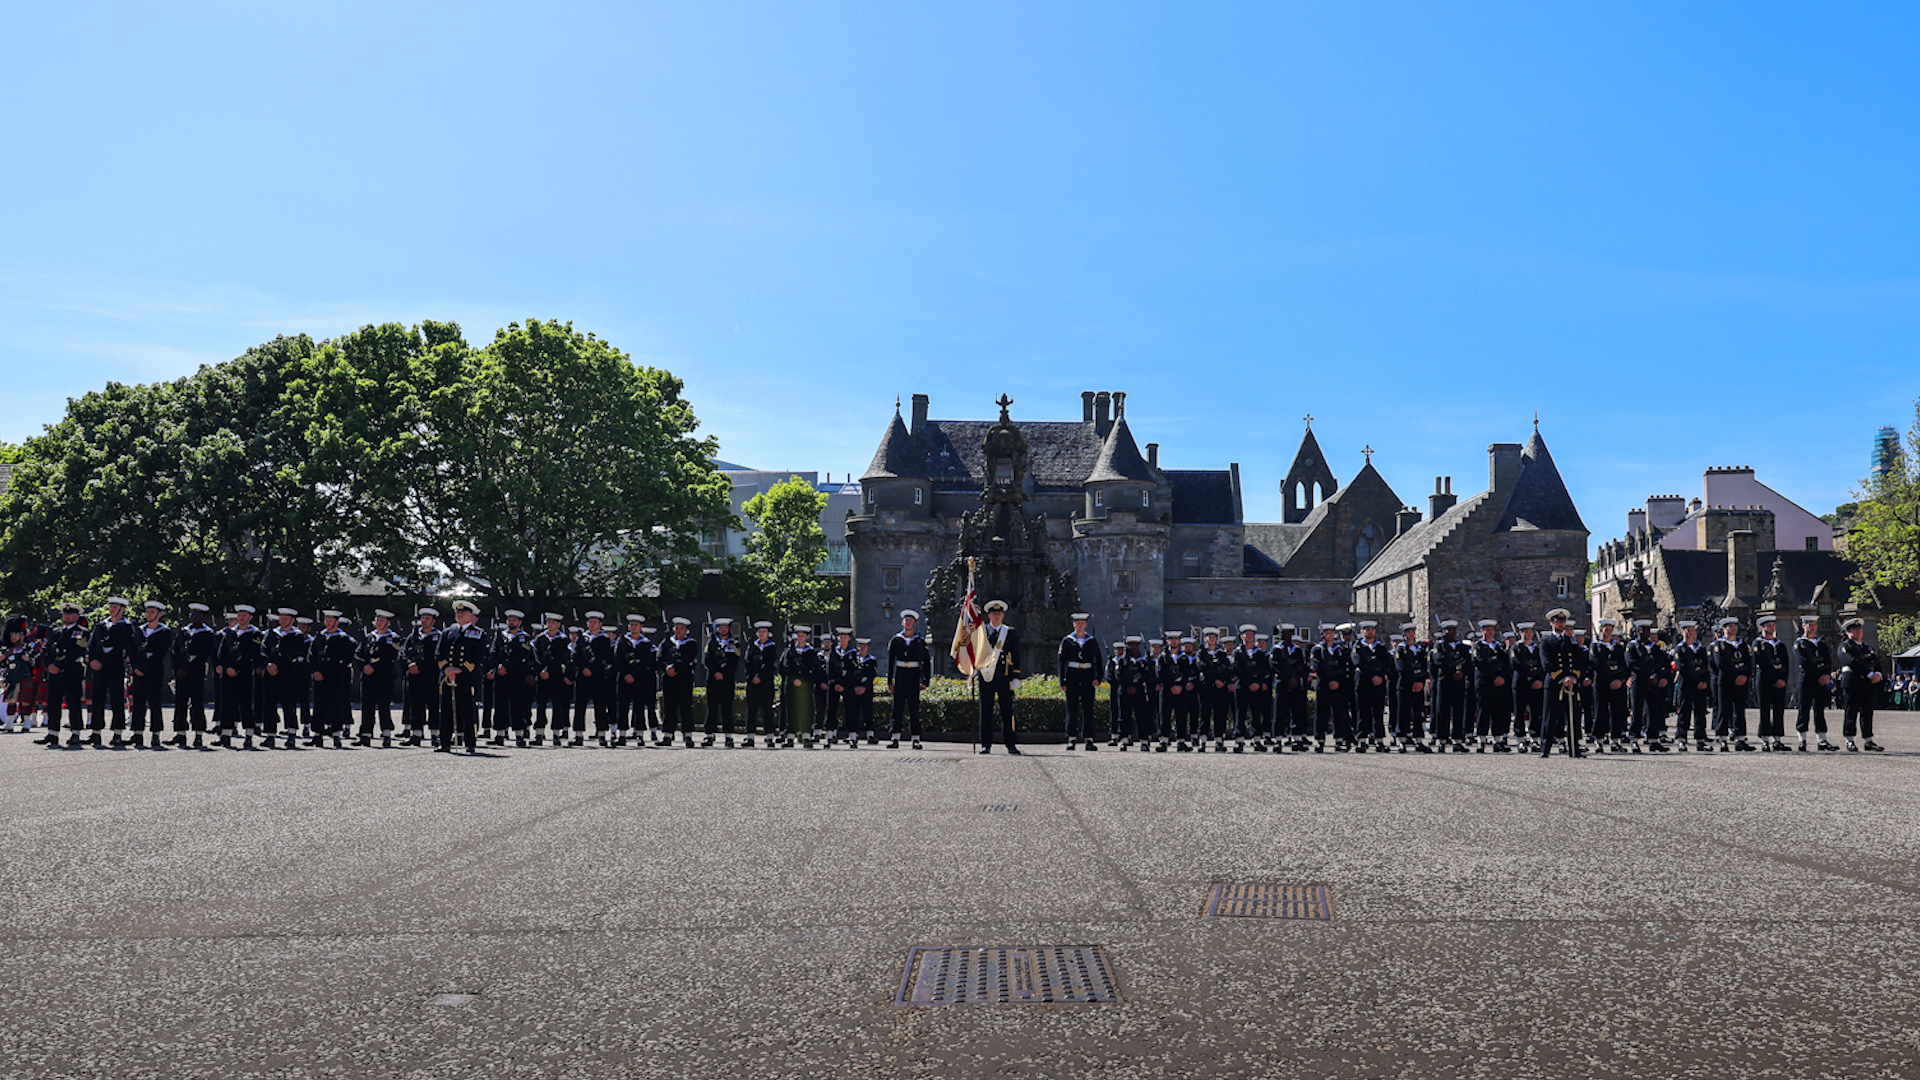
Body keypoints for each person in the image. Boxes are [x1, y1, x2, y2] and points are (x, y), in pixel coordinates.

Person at [436, 600, 486, 753]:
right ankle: (445, 742)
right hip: (447, 677)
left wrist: (460, 670)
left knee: (467, 711)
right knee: (446, 711)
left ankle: (470, 742)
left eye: (462, 613)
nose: (459, 615)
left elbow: (478, 656)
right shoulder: (447, 632)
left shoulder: (478, 633)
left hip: (466, 677)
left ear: (470, 615)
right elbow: (439, 653)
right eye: (457, 613)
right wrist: (447, 668)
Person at [1539, 608, 1589, 758]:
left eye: (1562, 622)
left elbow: (1579, 662)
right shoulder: (1546, 641)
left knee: (1573, 718)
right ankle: (1545, 749)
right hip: (1554, 683)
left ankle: (1574, 749)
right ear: (1551, 623)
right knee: (1550, 717)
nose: (1560, 624)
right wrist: (1561, 677)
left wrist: (1574, 677)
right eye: (1558, 621)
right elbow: (1546, 662)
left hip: (1570, 685)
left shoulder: (1571, 641)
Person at [89, 597, 136, 746]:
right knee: (97, 699)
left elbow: (120, 647)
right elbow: (92, 644)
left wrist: (101, 661)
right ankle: (95, 732)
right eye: (111, 607)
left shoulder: (126, 626)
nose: (112, 609)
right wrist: (92, 660)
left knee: (117, 699)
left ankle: (117, 733)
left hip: (115, 665)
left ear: (122, 609)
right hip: (98, 667)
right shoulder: (101, 624)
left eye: (115, 607)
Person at [976, 600, 1021, 755]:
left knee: (1007, 712)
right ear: (989, 615)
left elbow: (1016, 654)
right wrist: (975, 668)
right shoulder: (981, 631)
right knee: (985, 712)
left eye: (999, 613)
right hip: (986, 676)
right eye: (994, 613)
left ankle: (1011, 744)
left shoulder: (1009, 632)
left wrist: (1016, 676)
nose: (996, 615)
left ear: (1003, 615)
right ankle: (985, 744)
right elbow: (976, 651)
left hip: (1004, 677)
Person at [42, 604, 89, 747]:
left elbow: (77, 650)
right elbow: (46, 648)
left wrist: (59, 666)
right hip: (54, 672)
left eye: (70, 614)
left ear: (77, 616)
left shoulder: (82, 632)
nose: (67, 616)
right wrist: (49, 665)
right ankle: (52, 733)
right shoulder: (55, 631)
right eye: (65, 614)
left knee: (74, 703)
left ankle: (75, 733)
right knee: (53, 703)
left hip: (72, 671)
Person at [128, 601, 173, 749]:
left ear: (159, 614)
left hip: (154, 669)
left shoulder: (165, 631)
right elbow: (132, 650)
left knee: (154, 701)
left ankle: (156, 734)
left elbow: (160, 653)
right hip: (138, 668)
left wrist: (145, 667)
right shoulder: (139, 630)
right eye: (147, 612)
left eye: (152, 612)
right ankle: (137, 733)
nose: (149, 615)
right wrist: (135, 667)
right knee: (138, 701)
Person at [1707, 617, 1756, 752]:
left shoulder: (1742, 644)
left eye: (1734, 626)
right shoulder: (1719, 645)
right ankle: (1722, 738)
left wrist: (1744, 676)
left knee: (1740, 710)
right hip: (1726, 681)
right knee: (1724, 709)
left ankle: (1740, 738)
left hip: (1741, 682)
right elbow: (1721, 663)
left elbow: (1748, 662)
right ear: (1724, 629)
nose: (1733, 628)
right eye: (1730, 626)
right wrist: (1736, 675)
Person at [309, 610, 356, 747]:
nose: (327, 623)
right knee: (318, 705)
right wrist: (314, 671)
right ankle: (317, 734)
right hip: (319, 677)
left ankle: (336, 734)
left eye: (330, 620)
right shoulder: (320, 637)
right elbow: (311, 655)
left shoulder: (342, 638)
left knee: (336, 705)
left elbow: (338, 658)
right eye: (326, 620)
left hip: (334, 675)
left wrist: (323, 671)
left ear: (336, 622)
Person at [355, 609, 402, 746]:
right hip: (368, 677)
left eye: (382, 621)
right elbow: (358, 654)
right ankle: (365, 734)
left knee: (383, 706)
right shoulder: (369, 637)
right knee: (367, 706)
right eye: (377, 620)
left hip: (384, 676)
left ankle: (386, 734)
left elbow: (390, 656)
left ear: (388, 623)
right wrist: (364, 666)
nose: (379, 623)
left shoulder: (393, 638)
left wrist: (374, 667)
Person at [1839, 618, 1886, 752]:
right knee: (1851, 711)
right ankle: (1849, 739)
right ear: (1848, 632)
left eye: (1860, 630)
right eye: (1855, 630)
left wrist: (1878, 673)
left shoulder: (1867, 648)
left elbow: (1876, 662)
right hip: (1853, 682)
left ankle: (1868, 739)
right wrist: (1869, 674)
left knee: (1867, 711)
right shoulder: (1845, 646)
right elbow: (1852, 661)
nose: (1858, 632)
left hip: (1867, 683)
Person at [492, 610, 537, 748]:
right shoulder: (500, 635)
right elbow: (493, 651)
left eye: (514, 620)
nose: (511, 622)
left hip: (516, 676)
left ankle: (519, 735)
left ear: (520, 622)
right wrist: (498, 665)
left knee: (517, 706)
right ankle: (499, 734)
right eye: (510, 620)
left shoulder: (524, 637)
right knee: (500, 705)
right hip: (501, 676)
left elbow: (521, 655)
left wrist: (506, 666)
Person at [887, 611, 930, 749]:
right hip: (900, 674)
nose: (908, 623)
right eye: (906, 620)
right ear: (902, 623)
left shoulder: (919, 641)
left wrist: (925, 681)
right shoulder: (896, 640)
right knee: (897, 708)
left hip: (913, 675)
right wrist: (890, 681)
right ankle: (895, 737)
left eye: (911, 620)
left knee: (914, 708)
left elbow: (926, 662)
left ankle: (916, 738)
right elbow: (891, 661)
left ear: (915, 623)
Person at [1470, 619, 1514, 753]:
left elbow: (1506, 663)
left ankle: (1498, 739)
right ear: (1482, 631)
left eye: (1492, 630)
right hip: (1485, 682)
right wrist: (1494, 677)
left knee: (1498, 710)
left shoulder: (1499, 646)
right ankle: (1481, 739)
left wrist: (1501, 677)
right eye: (1487, 629)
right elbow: (1481, 663)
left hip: (1499, 683)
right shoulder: (1478, 647)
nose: (1490, 632)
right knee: (1484, 710)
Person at [1588, 619, 1632, 753]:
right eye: (1605, 630)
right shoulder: (1595, 646)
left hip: (1617, 684)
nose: (1607, 632)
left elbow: (1625, 665)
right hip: (1602, 683)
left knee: (1617, 712)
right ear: (1601, 630)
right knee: (1601, 711)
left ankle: (1616, 739)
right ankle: (1599, 739)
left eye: (1610, 630)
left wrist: (1620, 679)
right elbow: (1596, 664)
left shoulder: (1618, 647)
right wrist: (1609, 680)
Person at [573, 612, 616, 747]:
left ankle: (602, 734)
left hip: (598, 675)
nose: (592, 624)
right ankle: (578, 734)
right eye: (590, 622)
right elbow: (575, 655)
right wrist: (584, 668)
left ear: (600, 624)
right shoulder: (581, 638)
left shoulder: (604, 639)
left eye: (595, 622)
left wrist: (591, 668)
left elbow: (603, 655)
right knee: (580, 705)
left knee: (600, 705)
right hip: (582, 675)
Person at [1057, 613, 1100, 751]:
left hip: (1087, 676)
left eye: (1082, 623)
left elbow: (1098, 660)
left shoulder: (1091, 641)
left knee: (1088, 709)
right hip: (1073, 676)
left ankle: (1089, 739)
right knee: (1072, 708)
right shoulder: (1067, 641)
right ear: (1074, 624)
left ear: (1086, 625)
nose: (1080, 625)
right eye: (1078, 623)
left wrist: (1098, 677)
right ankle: (1071, 738)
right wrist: (1062, 680)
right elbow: (1061, 662)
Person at [1794, 615, 1837, 752]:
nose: (1812, 627)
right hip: (1807, 679)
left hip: (1821, 680)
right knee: (1803, 709)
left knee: (1820, 710)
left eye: (1814, 625)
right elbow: (1804, 662)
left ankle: (1822, 739)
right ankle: (1802, 739)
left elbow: (1828, 661)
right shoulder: (1800, 643)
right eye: (1809, 625)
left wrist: (1827, 675)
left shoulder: (1821, 643)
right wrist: (1819, 675)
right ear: (1804, 626)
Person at [401, 608, 443, 748]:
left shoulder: (438, 637)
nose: (424, 621)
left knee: (433, 705)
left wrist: (420, 665)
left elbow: (436, 656)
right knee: (415, 705)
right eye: (422, 618)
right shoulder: (413, 636)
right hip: (414, 676)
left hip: (431, 676)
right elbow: (403, 653)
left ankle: (435, 734)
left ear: (433, 621)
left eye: (427, 618)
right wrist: (409, 665)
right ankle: (416, 734)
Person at [614, 614, 656, 746]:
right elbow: (618, 659)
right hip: (624, 678)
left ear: (641, 627)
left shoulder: (645, 643)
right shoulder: (622, 641)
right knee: (623, 707)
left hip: (639, 679)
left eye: (636, 625)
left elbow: (645, 661)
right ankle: (622, 734)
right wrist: (626, 674)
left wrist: (634, 674)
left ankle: (639, 734)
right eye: (631, 625)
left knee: (639, 707)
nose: (633, 627)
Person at [1671, 621, 1713, 751]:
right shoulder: (1680, 649)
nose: (1691, 633)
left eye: (1692, 630)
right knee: (1684, 713)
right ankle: (1681, 739)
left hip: (1700, 685)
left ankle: (1700, 739)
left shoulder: (1700, 648)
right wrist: (1696, 681)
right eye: (1687, 630)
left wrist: (1704, 681)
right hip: (1687, 685)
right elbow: (1682, 668)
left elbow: (1706, 667)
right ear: (1682, 632)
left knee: (1700, 713)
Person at [780, 626, 823, 748]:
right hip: (792, 685)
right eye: (798, 635)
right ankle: (790, 737)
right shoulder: (790, 651)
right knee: (791, 710)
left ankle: (806, 736)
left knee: (807, 710)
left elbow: (814, 668)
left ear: (807, 637)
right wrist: (795, 678)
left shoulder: (811, 652)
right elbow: (785, 667)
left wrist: (802, 678)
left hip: (806, 685)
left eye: (803, 635)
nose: (800, 638)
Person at [1430, 619, 1470, 752]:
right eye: (1448, 630)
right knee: (1443, 711)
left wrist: (1462, 672)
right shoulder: (1439, 646)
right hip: (1445, 681)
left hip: (1459, 682)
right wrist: (1453, 670)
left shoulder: (1462, 647)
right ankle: (1442, 739)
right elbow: (1439, 661)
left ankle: (1458, 739)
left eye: (1453, 630)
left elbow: (1468, 663)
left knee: (1458, 711)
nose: (1451, 633)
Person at [1351, 621, 1391, 752]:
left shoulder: (1381, 648)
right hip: (1364, 683)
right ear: (1362, 632)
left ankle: (1379, 739)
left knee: (1378, 712)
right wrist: (1372, 676)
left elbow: (1386, 663)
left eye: (1372, 629)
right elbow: (1358, 663)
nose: (1370, 631)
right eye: (1366, 629)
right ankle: (1361, 739)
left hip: (1378, 684)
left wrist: (1380, 675)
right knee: (1363, 712)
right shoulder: (1357, 647)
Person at [531, 614, 570, 745]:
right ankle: (539, 733)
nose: (551, 624)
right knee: (540, 704)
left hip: (555, 675)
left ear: (558, 624)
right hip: (542, 675)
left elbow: (561, 657)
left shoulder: (563, 640)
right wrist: (541, 670)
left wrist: (548, 669)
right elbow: (536, 655)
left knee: (556, 703)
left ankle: (556, 733)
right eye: (549, 622)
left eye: (554, 622)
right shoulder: (540, 638)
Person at [1391, 623, 1430, 753]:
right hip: (1405, 684)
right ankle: (1402, 739)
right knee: (1403, 712)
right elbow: (1401, 668)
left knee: (1418, 712)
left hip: (1418, 685)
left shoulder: (1419, 649)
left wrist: (1420, 681)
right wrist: (1413, 681)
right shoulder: (1401, 649)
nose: (1411, 634)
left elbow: (1425, 666)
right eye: (1408, 632)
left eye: (1412, 631)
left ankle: (1419, 739)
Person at [742, 620, 779, 747]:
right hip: (753, 682)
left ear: (768, 633)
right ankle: (750, 737)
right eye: (760, 632)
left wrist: (759, 676)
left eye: (764, 632)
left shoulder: (772, 647)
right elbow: (747, 662)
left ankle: (769, 737)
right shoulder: (752, 645)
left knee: (767, 709)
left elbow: (770, 664)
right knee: (751, 709)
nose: (762, 634)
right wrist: (753, 676)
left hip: (766, 682)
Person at [704, 618, 741, 747]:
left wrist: (724, 673)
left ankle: (728, 736)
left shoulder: (734, 642)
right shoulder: (711, 642)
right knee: (712, 707)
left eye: (725, 627)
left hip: (727, 680)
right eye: (721, 627)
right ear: (717, 629)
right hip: (713, 679)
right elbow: (707, 660)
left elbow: (734, 661)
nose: (723, 629)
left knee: (727, 708)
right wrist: (716, 672)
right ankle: (709, 735)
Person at [1510, 622, 1546, 752]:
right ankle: (1520, 738)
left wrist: (1539, 680)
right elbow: (1517, 665)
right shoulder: (1516, 648)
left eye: (1530, 632)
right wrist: (1531, 679)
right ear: (1521, 633)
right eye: (1525, 632)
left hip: (1536, 685)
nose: (1528, 634)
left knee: (1536, 712)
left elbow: (1543, 665)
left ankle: (1535, 737)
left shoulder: (1537, 648)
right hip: (1522, 684)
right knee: (1519, 712)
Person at [845, 637, 879, 745]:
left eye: (864, 646)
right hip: (853, 690)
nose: (862, 648)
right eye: (860, 646)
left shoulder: (872, 660)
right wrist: (855, 686)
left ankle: (870, 735)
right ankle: (852, 735)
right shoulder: (852, 659)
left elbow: (872, 676)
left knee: (868, 713)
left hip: (866, 690)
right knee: (852, 713)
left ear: (867, 648)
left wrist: (864, 687)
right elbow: (850, 674)